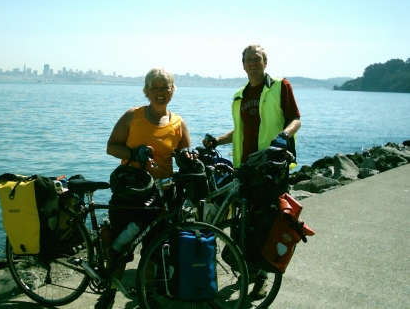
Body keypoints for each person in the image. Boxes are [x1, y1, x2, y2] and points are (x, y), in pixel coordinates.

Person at [203, 44, 301, 298]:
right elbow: (241, 132)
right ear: (243, 65)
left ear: (265, 62)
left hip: (271, 167)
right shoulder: (240, 95)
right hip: (245, 168)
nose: (253, 63)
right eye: (248, 59)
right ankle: (246, 265)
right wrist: (217, 141)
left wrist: (284, 136)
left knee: (267, 222)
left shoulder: (280, 86)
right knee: (246, 223)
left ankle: (262, 278)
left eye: (257, 59)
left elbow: (295, 119)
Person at [97, 67, 196, 309]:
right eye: (155, 87)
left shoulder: (178, 123)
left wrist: (191, 158)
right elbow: (111, 147)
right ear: (147, 90)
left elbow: (184, 157)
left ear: (172, 91)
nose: (160, 92)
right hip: (129, 191)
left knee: (153, 247)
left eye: (166, 87)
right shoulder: (133, 115)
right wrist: (134, 154)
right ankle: (109, 293)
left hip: (161, 195)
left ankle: (148, 295)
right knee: (120, 246)